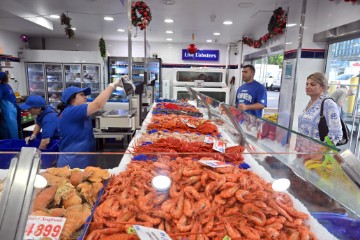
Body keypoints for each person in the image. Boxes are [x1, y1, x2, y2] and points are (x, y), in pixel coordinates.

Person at [57, 76, 131, 168]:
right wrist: (112, 85)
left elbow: (97, 101)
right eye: (81, 95)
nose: (85, 97)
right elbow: (97, 104)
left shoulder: (78, 108)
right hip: (73, 162)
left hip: (83, 158)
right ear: (71, 99)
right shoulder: (71, 111)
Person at [297, 72, 343, 151]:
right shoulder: (311, 102)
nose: (308, 87)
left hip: (317, 154)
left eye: (312, 84)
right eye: (307, 84)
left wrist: (321, 151)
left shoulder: (328, 104)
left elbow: (336, 134)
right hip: (303, 151)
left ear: (323, 87)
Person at [0, 71, 20, 139]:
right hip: (13, 108)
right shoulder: (8, 85)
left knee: (11, 129)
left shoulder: (1, 87)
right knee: (9, 127)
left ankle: (13, 145)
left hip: (8, 110)